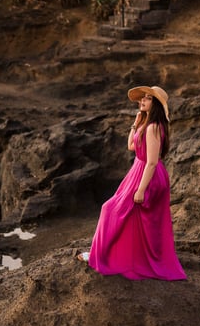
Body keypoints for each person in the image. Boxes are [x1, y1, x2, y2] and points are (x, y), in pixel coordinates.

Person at [77, 86, 187, 281]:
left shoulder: (153, 127)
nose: (141, 101)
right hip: (138, 170)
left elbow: (152, 162)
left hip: (147, 175)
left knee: (110, 209)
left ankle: (100, 256)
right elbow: (131, 146)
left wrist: (141, 189)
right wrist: (135, 124)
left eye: (147, 98)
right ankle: (119, 255)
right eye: (142, 98)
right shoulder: (147, 124)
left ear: (156, 104)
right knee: (129, 216)